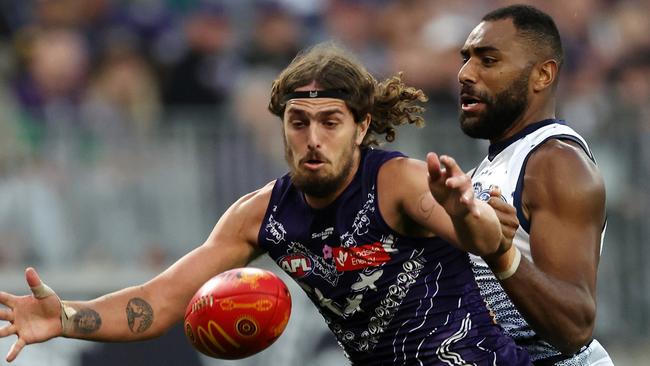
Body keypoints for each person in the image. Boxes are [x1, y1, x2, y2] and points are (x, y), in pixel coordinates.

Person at [0, 42, 530, 365]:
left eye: (330, 122)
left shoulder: (400, 182)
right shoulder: (261, 215)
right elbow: (159, 302)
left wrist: (466, 212)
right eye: (298, 123)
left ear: (361, 126)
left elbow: (487, 243)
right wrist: (66, 317)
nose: (313, 139)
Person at [457, 4, 613, 365]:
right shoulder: (490, 166)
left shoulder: (556, 163)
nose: (465, 73)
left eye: (488, 60)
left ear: (542, 75)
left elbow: (574, 329)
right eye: (465, 59)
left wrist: (502, 255)